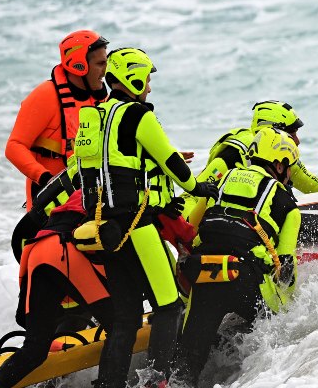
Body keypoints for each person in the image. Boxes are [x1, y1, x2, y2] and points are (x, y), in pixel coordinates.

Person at [73, 47, 218, 388]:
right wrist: (201, 187)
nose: (149, 88)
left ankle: (110, 384)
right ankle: (156, 382)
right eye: (148, 79)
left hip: (105, 229)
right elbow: (175, 166)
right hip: (137, 227)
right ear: (134, 77)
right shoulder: (140, 115)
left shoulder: (94, 115)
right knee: (169, 307)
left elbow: (108, 165)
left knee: (125, 320)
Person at [174, 128, 301, 386]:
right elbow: (286, 270)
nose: (290, 176)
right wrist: (290, 310)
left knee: (185, 367)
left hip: (203, 273)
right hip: (247, 280)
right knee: (278, 344)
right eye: (290, 168)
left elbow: (190, 229)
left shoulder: (221, 180)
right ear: (278, 164)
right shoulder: (287, 203)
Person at [0, 191, 113, 388]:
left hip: (37, 250)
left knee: (35, 348)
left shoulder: (76, 187)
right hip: (65, 251)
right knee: (121, 326)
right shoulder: (125, 188)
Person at [6, 30, 109, 211]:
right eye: (100, 64)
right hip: (50, 205)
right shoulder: (45, 95)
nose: (105, 71)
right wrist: (47, 180)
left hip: (89, 199)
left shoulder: (101, 100)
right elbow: (14, 147)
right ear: (79, 65)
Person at [181, 100, 318, 222]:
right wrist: (192, 234)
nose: (297, 141)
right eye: (292, 134)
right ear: (271, 132)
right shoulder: (230, 157)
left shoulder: (285, 158)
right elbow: (188, 197)